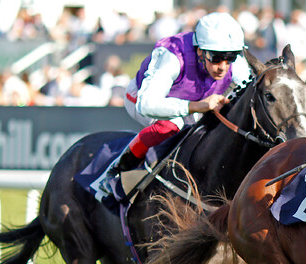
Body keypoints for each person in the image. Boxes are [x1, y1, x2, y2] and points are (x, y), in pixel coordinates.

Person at [106, 12, 253, 178]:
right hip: (139, 96)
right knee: (172, 125)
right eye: (216, 58)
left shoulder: (235, 63)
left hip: (190, 103)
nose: (223, 67)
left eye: (230, 58)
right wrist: (196, 106)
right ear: (199, 51)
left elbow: (250, 94)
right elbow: (147, 104)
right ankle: (116, 171)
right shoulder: (173, 57)